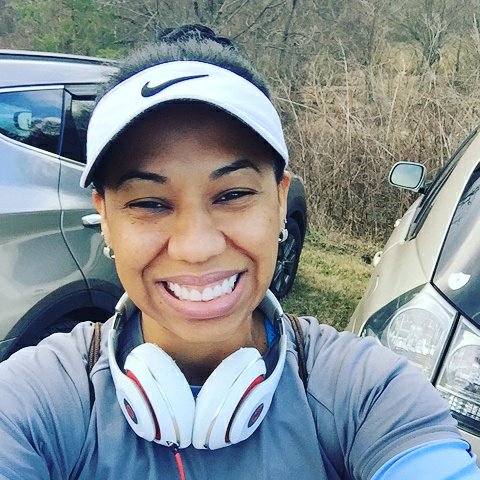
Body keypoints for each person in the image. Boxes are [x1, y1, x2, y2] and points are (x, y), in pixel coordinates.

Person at [0, 24, 479, 480]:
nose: (196, 247)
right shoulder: (36, 398)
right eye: (149, 203)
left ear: (279, 200)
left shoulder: (369, 391)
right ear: (104, 216)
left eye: (232, 195)